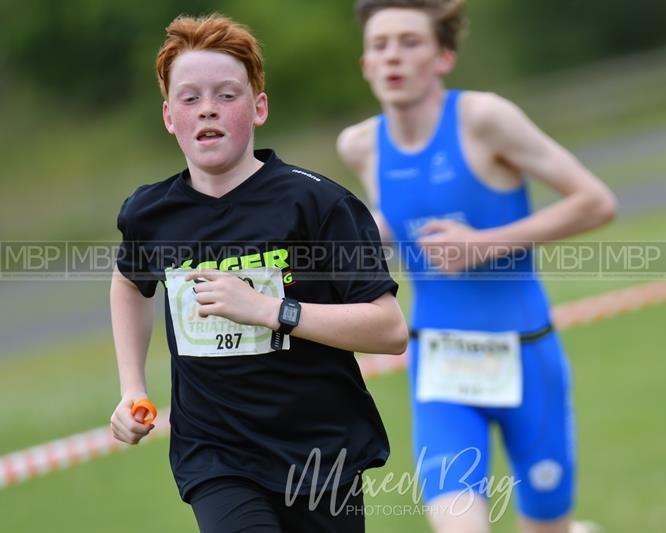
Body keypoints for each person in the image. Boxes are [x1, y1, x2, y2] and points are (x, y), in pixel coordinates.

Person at [108, 13, 408, 533]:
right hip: (216, 455)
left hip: (320, 452)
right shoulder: (149, 214)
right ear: (168, 117)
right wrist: (132, 385)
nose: (208, 110)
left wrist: (271, 311)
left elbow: (389, 330)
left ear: (259, 107)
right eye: (190, 98)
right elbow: (130, 283)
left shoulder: (319, 203)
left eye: (227, 95)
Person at [337, 1, 617, 532]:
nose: (393, 56)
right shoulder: (361, 146)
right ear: (366, 66)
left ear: (443, 57)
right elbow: (403, 220)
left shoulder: (485, 118)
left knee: (548, 527)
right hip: (441, 368)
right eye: (380, 45)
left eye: (409, 42)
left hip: (526, 356)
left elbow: (595, 202)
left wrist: (487, 243)